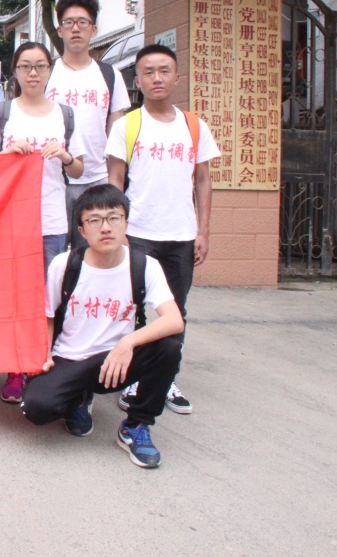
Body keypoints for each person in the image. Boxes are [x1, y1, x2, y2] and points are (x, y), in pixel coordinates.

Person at [22, 184, 185, 468]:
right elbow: (47, 315)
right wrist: (43, 355)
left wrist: (128, 342)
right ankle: (78, 400)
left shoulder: (144, 265)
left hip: (116, 362)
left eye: (114, 218)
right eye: (95, 220)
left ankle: (136, 425)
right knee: (37, 408)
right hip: (70, 358)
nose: (106, 228)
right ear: (82, 230)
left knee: (169, 348)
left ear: (126, 223)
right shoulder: (65, 264)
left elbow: (174, 320)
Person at [105, 43, 219, 415]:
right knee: (132, 308)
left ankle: (166, 377)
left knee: (175, 311)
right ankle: (134, 376)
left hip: (181, 236)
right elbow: (115, 181)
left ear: (176, 78)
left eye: (164, 70)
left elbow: (203, 180)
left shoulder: (194, 126)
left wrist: (203, 231)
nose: (157, 78)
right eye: (148, 72)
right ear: (137, 80)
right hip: (137, 233)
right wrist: (118, 230)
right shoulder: (126, 125)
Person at [0, 41, 86, 404]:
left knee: (46, 296)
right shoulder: (2, 113)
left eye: (40, 66)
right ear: (15, 71)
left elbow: (80, 169)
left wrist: (65, 156)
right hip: (9, 220)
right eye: (25, 66)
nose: (33, 73)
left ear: (49, 71)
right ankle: (14, 368)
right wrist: (7, 154)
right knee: (12, 295)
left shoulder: (65, 114)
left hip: (52, 220)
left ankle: (37, 364)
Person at [44, 0, 131, 249]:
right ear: (59, 30)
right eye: (68, 22)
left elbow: (116, 133)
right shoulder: (47, 73)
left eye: (82, 22)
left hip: (97, 180)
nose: (75, 28)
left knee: (95, 254)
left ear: (93, 29)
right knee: (55, 255)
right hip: (55, 181)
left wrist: (114, 184)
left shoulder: (110, 75)